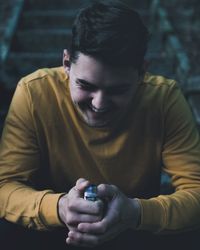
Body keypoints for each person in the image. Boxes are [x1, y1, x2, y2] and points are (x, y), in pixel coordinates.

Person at [0, 0, 200, 249]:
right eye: (85, 86)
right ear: (66, 64)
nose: (99, 104)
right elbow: (5, 187)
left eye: (118, 90)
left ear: (142, 73)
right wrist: (60, 207)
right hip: (54, 231)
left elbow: (196, 192)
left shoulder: (164, 98)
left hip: (134, 230)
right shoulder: (33, 92)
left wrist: (136, 212)